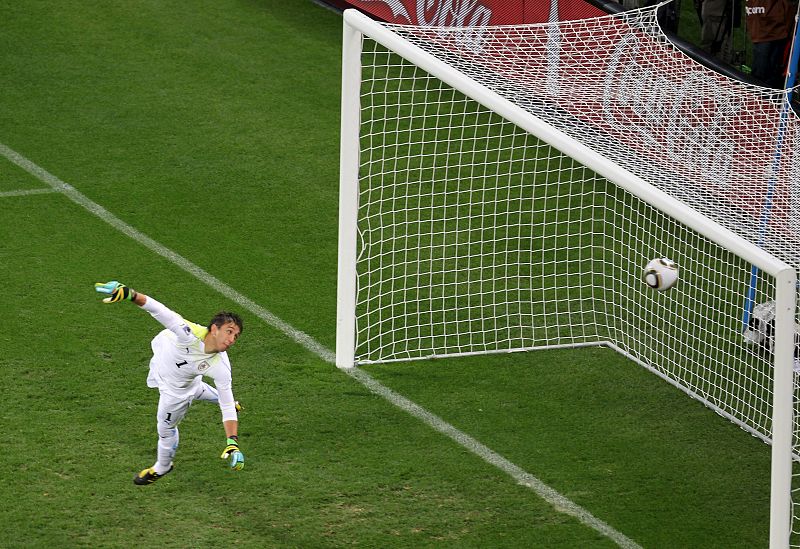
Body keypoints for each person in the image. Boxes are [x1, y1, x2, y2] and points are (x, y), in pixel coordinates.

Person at [94, 280, 245, 485]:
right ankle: (200, 392)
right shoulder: (187, 334)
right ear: (214, 329)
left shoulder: (220, 367)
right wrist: (130, 294)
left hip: (176, 392)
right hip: (166, 359)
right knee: (196, 386)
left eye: (236, 336)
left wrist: (232, 443)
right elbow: (158, 310)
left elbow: (227, 406)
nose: (232, 339)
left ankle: (163, 467)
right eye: (229, 331)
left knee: (165, 429)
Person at [745, 0, 794, 88]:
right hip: (764, 25)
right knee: (761, 71)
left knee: (774, 70)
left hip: (779, 28)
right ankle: (756, 94)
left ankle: (769, 91)